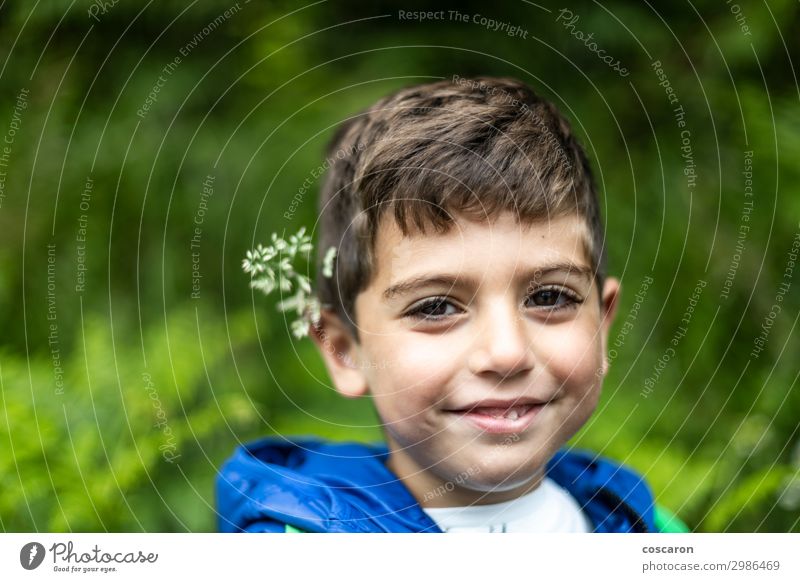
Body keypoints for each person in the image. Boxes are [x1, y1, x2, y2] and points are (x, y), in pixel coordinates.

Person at [216, 76, 689, 533]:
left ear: (602, 325)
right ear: (344, 349)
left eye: (549, 297)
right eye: (436, 307)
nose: (506, 354)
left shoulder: (655, 532)